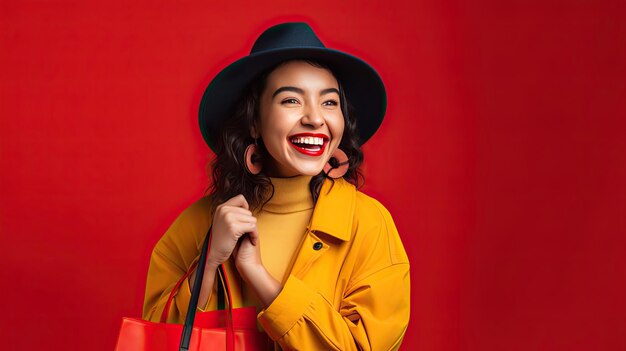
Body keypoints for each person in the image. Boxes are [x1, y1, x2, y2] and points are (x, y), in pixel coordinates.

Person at [142, 22, 410, 350]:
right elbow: (156, 343)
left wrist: (261, 279)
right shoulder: (198, 225)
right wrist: (209, 261)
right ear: (254, 121)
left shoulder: (369, 224)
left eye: (329, 103)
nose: (315, 118)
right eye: (291, 101)